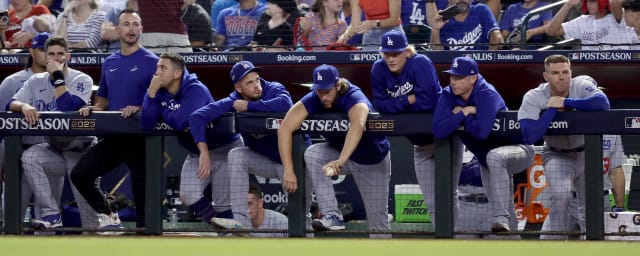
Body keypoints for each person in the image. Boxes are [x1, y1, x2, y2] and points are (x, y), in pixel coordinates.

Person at [70, 8, 159, 233]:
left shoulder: (153, 61)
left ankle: (146, 246)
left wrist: (138, 107)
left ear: (142, 29)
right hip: (114, 137)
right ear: (118, 30)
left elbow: (160, 99)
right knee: (80, 175)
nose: (131, 28)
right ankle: (109, 215)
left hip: (142, 138)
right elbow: (103, 97)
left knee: (143, 202)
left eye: (135, 24)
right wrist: (96, 107)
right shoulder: (109, 61)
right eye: (126, 24)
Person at [277, 64, 392, 237]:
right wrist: (288, 169)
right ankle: (332, 215)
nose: (323, 96)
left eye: (327, 91)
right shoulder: (314, 98)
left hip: (372, 159)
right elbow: (285, 128)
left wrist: (341, 160)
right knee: (312, 153)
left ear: (337, 85)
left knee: (378, 224)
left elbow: (358, 125)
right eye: (319, 91)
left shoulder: (353, 96)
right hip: (339, 154)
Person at [370, 30, 463, 227]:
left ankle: (453, 239)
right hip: (420, 145)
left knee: (449, 193)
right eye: (387, 54)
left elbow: (429, 102)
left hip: (445, 140)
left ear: (407, 51)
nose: (391, 58)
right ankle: (442, 239)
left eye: (395, 53)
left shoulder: (420, 63)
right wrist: (408, 99)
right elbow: (380, 105)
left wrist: (396, 104)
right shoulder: (378, 69)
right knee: (430, 200)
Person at [433, 57, 535, 232]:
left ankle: (501, 218)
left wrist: (462, 116)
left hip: (519, 149)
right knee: (501, 204)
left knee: (494, 158)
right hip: (487, 158)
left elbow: (481, 133)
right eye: (452, 77)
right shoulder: (448, 94)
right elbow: (439, 130)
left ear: (473, 78)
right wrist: (465, 113)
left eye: (459, 77)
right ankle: (513, 239)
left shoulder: (486, 93)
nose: (453, 82)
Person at [8, 36, 98, 230]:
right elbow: (11, 103)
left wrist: (57, 75)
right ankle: (51, 213)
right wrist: (24, 106)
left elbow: (68, 108)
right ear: (44, 57)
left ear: (68, 56)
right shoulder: (36, 80)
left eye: (60, 54)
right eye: (51, 54)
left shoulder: (81, 79)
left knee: (91, 223)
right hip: (55, 150)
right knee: (30, 157)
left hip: (82, 153)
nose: (56, 58)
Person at [140, 53, 242, 223]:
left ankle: (230, 241)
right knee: (188, 195)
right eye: (157, 67)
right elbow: (147, 124)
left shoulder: (196, 89)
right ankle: (216, 225)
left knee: (223, 204)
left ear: (177, 73)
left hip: (225, 149)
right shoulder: (158, 91)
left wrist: (163, 112)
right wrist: (151, 93)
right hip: (197, 152)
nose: (157, 72)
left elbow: (182, 122)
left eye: (163, 68)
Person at [517, 54, 610, 239]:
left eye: (565, 72)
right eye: (556, 73)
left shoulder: (580, 84)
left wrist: (566, 102)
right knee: (561, 195)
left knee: (590, 205)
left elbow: (603, 104)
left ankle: (592, 246)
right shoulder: (535, 96)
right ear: (546, 76)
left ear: (571, 72)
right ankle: (556, 247)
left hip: (586, 153)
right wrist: (552, 109)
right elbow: (529, 135)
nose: (562, 77)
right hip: (557, 154)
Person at [206, 60, 305, 231]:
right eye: (249, 83)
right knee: (237, 154)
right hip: (268, 160)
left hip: (293, 161)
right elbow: (207, 112)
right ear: (238, 87)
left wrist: (249, 106)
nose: (256, 86)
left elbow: (285, 104)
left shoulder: (273, 88)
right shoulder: (233, 99)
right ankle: (241, 223)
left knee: (302, 215)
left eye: (257, 80)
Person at [0, 32, 52, 229]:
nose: (47, 54)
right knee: (13, 215)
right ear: (31, 51)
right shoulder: (13, 82)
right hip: (18, 155)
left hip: (50, 153)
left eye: (51, 50)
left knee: (48, 218)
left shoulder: (62, 82)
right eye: (42, 49)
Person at [569, 134, 627, 233]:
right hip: (568, 201)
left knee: (601, 244)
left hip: (600, 201)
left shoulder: (612, 132)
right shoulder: (572, 123)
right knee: (549, 239)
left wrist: (619, 209)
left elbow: (615, 172)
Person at [546, 0, 636, 50]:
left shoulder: (616, 16)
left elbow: (615, 2)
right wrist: (568, 5)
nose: (589, 4)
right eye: (587, 1)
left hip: (617, 65)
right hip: (592, 66)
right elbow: (551, 31)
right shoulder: (583, 21)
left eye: (592, 1)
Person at [428, 0, 504, 50]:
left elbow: (497, 38)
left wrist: (488, 62)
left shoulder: (481, 10)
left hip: (480, 66)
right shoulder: (443, 20)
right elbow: (437, 56)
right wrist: (436, 30)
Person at [337, 0, 404, 51]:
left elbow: (394, 20)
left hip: (392, 32)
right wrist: (343, 39)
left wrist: (373, 23)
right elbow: (355, 25)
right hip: (371, 34)